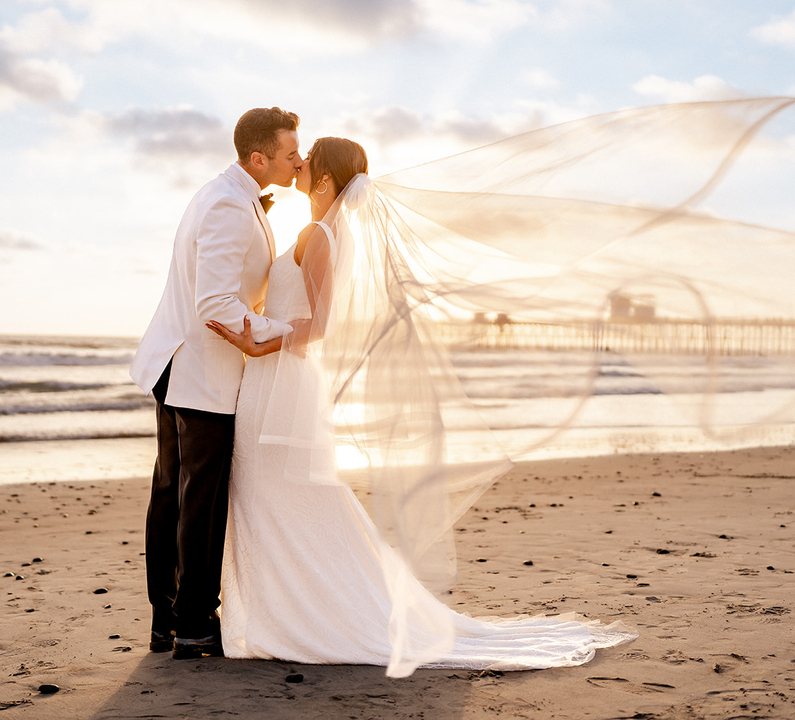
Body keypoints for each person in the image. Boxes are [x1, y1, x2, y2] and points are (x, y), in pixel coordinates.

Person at [206, 137, 637, 677]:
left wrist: (257, 342)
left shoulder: (318, 234)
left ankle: (295, 613)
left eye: (308, 155)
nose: (301, 159)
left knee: (268, 495)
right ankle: (287, 609)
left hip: (280, 380)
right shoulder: (326, 232)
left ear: (323, 180)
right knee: (275, 497)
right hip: (279, 381)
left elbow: (319, 327)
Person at [129, 107, 302, 659]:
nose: (298, 159)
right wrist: (290, 330)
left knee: (173, 496)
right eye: (289, 152)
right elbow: (216, 304)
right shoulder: (229, 203)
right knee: (197, 503)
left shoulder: (227, 193)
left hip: (176, 362)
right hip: (199, 371)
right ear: (259, 158)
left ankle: (168, 623)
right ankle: (197, 625)